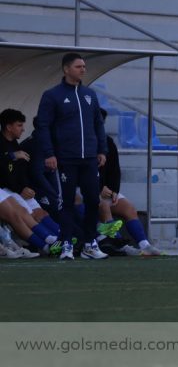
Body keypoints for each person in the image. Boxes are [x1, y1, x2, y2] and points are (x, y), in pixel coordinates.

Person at [36, 52, 109, 260]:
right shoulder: (52, 96)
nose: (83, 70)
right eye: (79, 67)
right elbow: (43, 126)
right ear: (66, 69)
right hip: (66, 158)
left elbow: (98, 124)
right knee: (66, 202)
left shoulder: (90, 95)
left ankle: (90, 243)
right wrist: (49, 153)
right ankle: (67, 244)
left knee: (93, 201)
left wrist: (102, 150)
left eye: (84, 66)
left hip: (89, 159)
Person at [97, 109, 162, 255]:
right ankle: (120, 245)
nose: (98, 125)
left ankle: (144, 245)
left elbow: (115, 171)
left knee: (129, 208)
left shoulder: (108, 142)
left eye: (101, 123)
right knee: (104, 206)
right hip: (84, 191)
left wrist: (114, 191)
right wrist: (98, 189)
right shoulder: (80, 143)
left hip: (104, 190)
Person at [0, 109, 63, 256]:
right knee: (19, 213)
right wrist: (12, 156)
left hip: (14, 189)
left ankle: (61, 237)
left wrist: (24, 187)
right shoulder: (10, 147)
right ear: (8, 127)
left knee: (39, 211)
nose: (23, 129)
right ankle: (48, 244)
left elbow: (20, 172)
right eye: (19, 125)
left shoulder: (15, 144)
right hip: (7, 188)